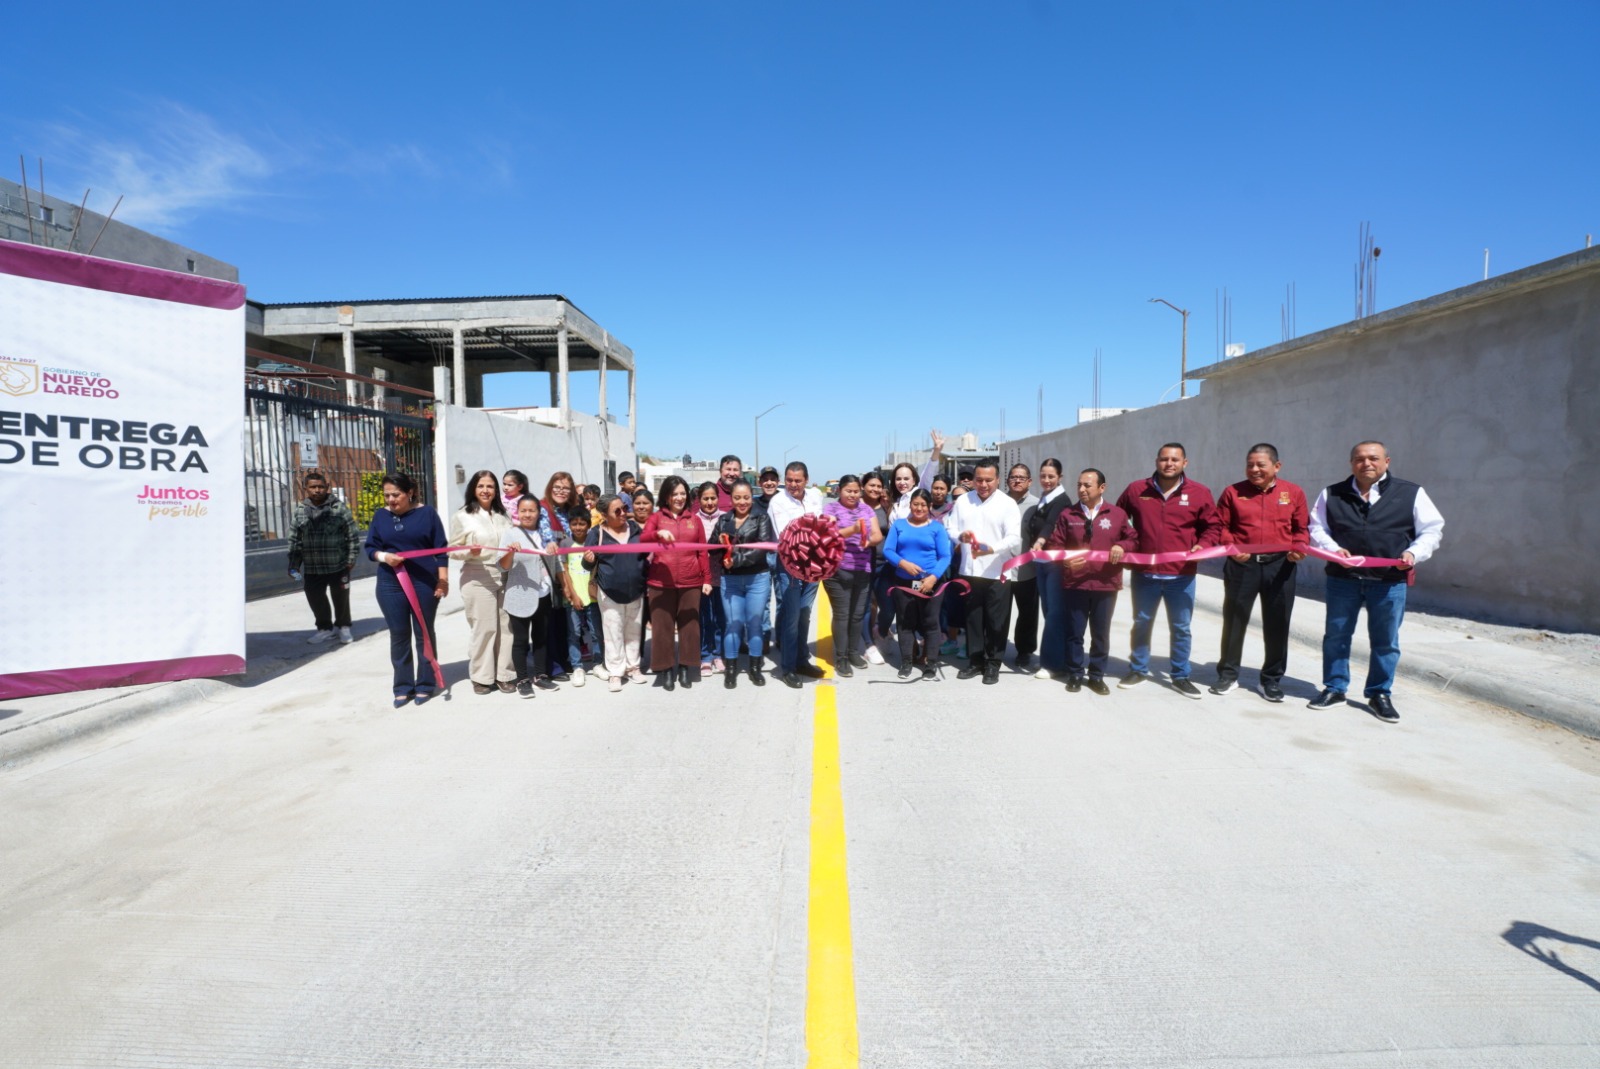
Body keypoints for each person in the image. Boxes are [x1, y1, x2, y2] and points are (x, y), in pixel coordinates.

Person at [1307, 440, 1445, 722]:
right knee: (1336, 636)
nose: (1366, 463)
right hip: (1343, 578)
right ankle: (1334, 689)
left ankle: (1379, 694)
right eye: (1359, 459)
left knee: (1385, 641)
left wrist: (1413, 552)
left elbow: (1432, 530)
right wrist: (1333, 550)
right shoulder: (1332, 493)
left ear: (1386, 462)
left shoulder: (1411, 493)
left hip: (1388, 581)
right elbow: (1316, 527)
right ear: (1351, 463)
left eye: (1373, 458)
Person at [1207, 443, 1310, 702]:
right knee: (1235, 620)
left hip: (1281, 565)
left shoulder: (1293, 492)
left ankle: (1271, 680)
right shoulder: (1233, 492)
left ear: (1276, 466)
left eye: (1261, 465)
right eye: (1250, 464)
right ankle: (1228, 675)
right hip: (1243, 565)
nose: (1254, 469)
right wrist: (1232, 547)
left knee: (1278, 622)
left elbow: (1301, 528)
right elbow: (1221, 525)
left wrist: (1300, 548)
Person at [1115, 443, 1218, 698]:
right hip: (1145, 574)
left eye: (1174, 459)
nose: (1168, 464)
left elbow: (1213, 527)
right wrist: (1122, 544)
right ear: (1156, 461)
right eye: (1164, 459)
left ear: (1185, 463)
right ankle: (1138, 669)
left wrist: (1203, 545)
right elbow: (1118, 520)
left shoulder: (1199, 492)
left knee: (1181, 627)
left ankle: (1180, 675)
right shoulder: (1137, 490)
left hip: (1181, 576)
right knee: (1141, 623)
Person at [1047, 469, 1137, 694]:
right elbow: (1054, 546)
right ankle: (1075, 673)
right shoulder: (1068, 515)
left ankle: (1096, 676)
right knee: (1075, 632)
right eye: (1079, 485)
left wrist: (1121, 546)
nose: (1082, 489)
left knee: (1100, 633)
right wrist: (1065, 562)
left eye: (1087, 485)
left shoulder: (1116, 514)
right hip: (1075, 585)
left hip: (1105, 584)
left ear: (1102, 488)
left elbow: (1133, 538)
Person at [365, 472, 448, 707]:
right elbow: (370, 547)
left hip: (423, 581)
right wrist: (383, 556)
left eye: (396, 494)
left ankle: (425, 683)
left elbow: (440, 550)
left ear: (410, 492)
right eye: (387, 495)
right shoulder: (381, 516)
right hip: (391, 583)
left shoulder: (427, 514)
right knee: (399, 634)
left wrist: (443, 581)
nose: (391, 500)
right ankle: (402, 686)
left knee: (423, 632)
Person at [944, 460, 1023, 684]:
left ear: (998, 479)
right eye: (979, 480)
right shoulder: (963, 501)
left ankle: (993, 663)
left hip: (998, 571)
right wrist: (960, 537)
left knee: (997, 621)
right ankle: (975, 661)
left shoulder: (1007, 504)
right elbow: (951, 528)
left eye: (989, 480)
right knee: (973, 619)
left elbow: (1014, 537)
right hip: (970, 570)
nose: (983, 484)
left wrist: (992, 549)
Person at [448, 469, 517, 695]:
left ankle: (504, 674)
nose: (485, 490)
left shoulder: (502, 515)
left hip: (505, 575)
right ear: (473, 489)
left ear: (496, 490)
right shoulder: (463, 516)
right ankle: (481, 676)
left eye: (489, 486)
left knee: (506, 628)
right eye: (481, 486)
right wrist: (469, 550)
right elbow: (452, 550)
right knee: (485, 628)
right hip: (478, 575)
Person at [641, 475, 711, 689]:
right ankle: (666, 670)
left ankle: (684, 668)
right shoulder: (656, 517)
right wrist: (656, 533)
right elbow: (643, 540)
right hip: (660, 583)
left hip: (691, 582)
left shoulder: (695, 519)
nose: (679, 498)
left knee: (690, 627)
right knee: (662, 628)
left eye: (682, 493)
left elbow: (702, 551)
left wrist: (706, 579)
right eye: (674, 494)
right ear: (666, 496)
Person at [884, 489, 953, 680]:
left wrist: (933, 577)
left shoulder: (937, 528)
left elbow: (945, 556)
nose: (919, 508)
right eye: (916, 504)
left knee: (931, 623)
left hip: (930, 582)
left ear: (929, 506)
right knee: (906, 623)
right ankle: (906, 661)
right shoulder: (899, 525)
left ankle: (930, 663)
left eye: (923, 505)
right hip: (903, 582)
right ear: (910, 505)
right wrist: (902, 563)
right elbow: (888, 550)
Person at [711, 480, 775, 688]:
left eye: (746, 497)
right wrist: (719, 544)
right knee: (733, 624)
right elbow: (711, 547)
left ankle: (755, 669)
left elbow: (761, 548)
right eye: (737, 497)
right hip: (730, 580)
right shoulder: (724, 520)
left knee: (755, 623)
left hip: (757, 578)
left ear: (752, 497)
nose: (742, 501)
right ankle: (731, 670)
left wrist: (736, 560)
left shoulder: (761, 517)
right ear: (730, 499)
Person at [583, 494, 649, 692]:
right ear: (604, 515)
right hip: (609, 592)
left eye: (624, 508)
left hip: (636, 591)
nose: (623, 513)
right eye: (617, 510)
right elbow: (586, 565)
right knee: (613, 634)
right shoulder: (596, 533)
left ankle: (633, 667)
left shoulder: (636, 528)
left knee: (634, 632)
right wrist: (589, 559)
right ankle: (615, 672)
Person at [769, 461, 826, 688]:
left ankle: (802, 660)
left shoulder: (814, 496)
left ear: (806, 480)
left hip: (814, 565)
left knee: (804, 614)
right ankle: (788, 667)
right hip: (790, 565)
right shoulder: (778, 501)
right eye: (789, 480)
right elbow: (789, 534)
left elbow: (821, 525)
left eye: (798, 480)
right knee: (791, 618)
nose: (793, 485)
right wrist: (814, 529)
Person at [287, 470, 361, 645]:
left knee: (340, 597)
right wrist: (294, 565)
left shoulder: (339, 508)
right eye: (313, 487)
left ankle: (343, 627)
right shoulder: (300, 511)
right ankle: (324, 629)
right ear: (305, 488)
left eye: (321, 486)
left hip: (338, 564)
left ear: (327, 487)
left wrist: (351, 558)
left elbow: (352, 535)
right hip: (313, 567)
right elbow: (294, 540)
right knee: (314, 596)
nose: (317, 490)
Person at [822, 475, 882, 677]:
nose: (853, 495)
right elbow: (828, 536)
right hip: (837, 570)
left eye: (856, 491)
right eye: (849, 491)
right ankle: (841, 659)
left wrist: (869, 540)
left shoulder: (866, 510)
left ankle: (853, 653)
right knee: (842, 614)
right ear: (839, 490)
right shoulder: (831, 509)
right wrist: (853, 530)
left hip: (862, 569)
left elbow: (877, 535)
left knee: (857, 615)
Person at [498, 496, 556, 697]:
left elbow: (553, 558)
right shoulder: (510, 534)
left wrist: (553, 548)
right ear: (517, 512)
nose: (527, 514)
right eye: (523, 510)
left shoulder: (545, 534)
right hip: (519, 595)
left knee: (541, 639)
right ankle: (522, 679)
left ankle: (540, 676)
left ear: (538, 512)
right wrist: (510, 552)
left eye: (532, 510)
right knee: (520, 640)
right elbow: (502, 565)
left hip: (543, 593)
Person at [1025, 459, 1072, 680]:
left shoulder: (1062, 500)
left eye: (1051, 476)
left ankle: (1053, 664)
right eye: (1043, 476)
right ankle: (1055, 658)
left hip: (1055, 563)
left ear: (1060, 478)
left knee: (1055, 614)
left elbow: (1051, 524)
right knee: (1049, 611)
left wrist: (1041, 541)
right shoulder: (1045, 497)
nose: (1046, 480)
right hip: (1041, 563)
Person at [538, 472, 580, 682]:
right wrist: (550, 543)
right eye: (557, 487)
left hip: (571, 570)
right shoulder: (543, 508)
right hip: (550, 569)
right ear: (550, 487)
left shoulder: (570, 511)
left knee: (567, 618)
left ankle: (565, 660)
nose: (561, 491)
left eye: (566, 488)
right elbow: (546, 536)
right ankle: (552, 665)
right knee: (552, 619)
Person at [1005, 463, 1041, 671]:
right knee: (999, 614)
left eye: (1021, 477)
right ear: (1007, 480)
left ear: (1029, 481)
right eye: (1013, 477)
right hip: (1001, 570)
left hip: (1028, 570)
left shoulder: (1038, 505)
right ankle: (996, 648)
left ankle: (1024, 651)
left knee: (1028, 614)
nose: (1017, 480)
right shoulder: (998, 502)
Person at [564, 506, 603, 685]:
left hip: (592, 597)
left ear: (588, 525)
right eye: (574, 524)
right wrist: (573, 595)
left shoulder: (593, 542)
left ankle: (597, 664)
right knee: (574, 633)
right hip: (574, 598)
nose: (578, 527)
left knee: (596, 632)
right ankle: (577, 667)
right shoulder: (565, 543)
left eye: (582, 524)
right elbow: (564, 572)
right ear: (569, 525)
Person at [695, 481, 728, 675]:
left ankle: (718, 654)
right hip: (700, 576)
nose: (709, 502)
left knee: (720, 617)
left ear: (718, 498)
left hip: (722, 574)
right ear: (699, 499)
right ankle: (704, 656)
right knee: (703, 616)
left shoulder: (726, 518)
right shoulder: (693, 519)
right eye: (705, 498)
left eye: (713, 498)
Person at [860, 471, 892, 665]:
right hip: (863, 564)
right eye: (871, 485)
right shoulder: (857, 507)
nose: (875, 489)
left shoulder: (887, 508)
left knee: (887, 607)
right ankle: (868, 645)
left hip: (885, 565)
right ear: (863, 486)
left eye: (878, 486)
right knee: (865, 607)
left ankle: (879, 631)